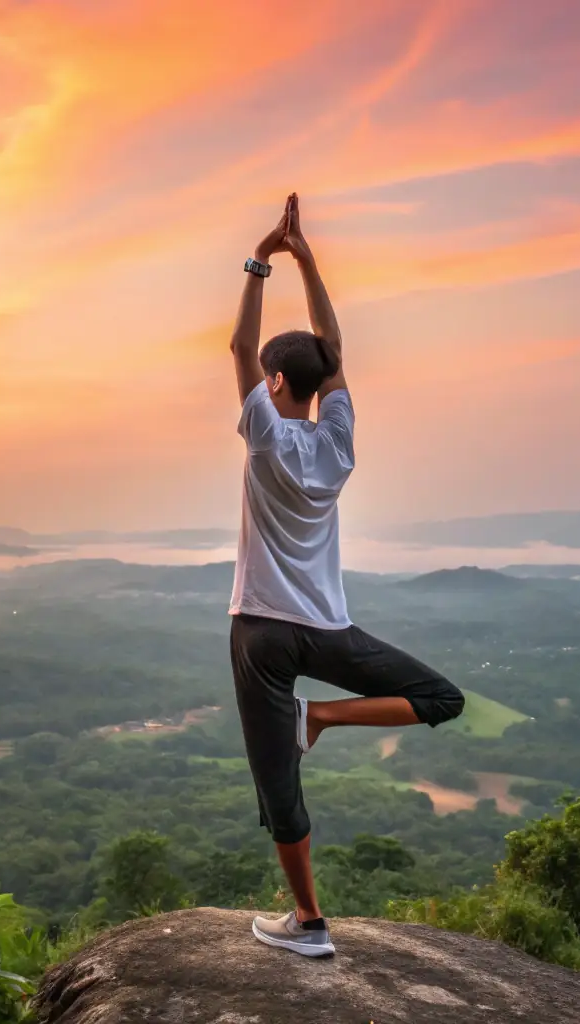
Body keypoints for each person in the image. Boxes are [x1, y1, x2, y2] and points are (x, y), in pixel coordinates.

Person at [229, 193, 465, 957]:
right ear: (321, 387)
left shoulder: (266, 438)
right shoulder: (336, 444)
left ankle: (308, 922)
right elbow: (332, 349)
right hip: (327, 631)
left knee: (277, 785)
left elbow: (239, 344)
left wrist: (261, 258)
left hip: (262, 631)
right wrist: (308, 257)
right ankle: (322, 719)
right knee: (441, 697)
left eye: (266, 375)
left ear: (271, 385)